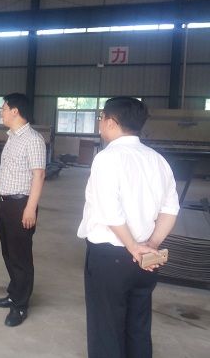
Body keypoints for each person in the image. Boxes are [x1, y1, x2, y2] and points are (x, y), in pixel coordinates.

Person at [77, 97, 179, 358]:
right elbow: (170, 209)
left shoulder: (107, 158)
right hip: (147, 259)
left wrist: (133, 246)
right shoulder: (158, 160)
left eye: (101, 118)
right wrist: (151, 245)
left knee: (106, 331)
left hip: (111, 257)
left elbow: (110, 212)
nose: (100, 122)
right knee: (138, 327)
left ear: (111, 122)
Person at [0, 93, 46, 327]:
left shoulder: (33, 139)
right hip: (4, 203)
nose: (1, 113)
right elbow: (12, 169)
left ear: (15, 111)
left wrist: (30, 208)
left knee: (20, 257)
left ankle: (20, 306)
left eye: (3, 108)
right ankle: (14, 293)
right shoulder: (12, 137)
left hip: (21, 205)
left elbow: (38, 175)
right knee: (9, 253)